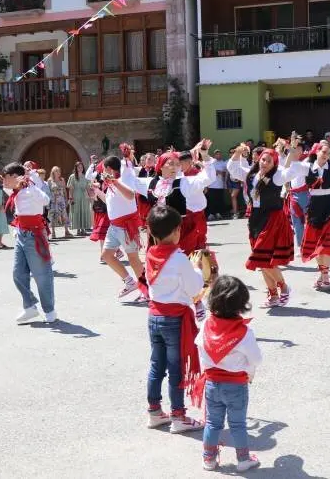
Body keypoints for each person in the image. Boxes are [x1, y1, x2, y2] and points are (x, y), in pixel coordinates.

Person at [141, 206, 206, 434]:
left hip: (154, 316)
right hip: (174, 319)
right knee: (176, 369)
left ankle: (154, 411)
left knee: (156, 366)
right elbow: (194, 288)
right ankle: (178, 415)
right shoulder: (179, 258)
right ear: (177, 231)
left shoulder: (150, 253)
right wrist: (197, 269)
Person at [195, 275, 263, 472]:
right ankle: (243, 459)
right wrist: (249, 371)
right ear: (242, 304)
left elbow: (200, 349)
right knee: (238, 424)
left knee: (213, 423)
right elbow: (256, 359)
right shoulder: (244, 332)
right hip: (236, 386)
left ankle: (208, 458)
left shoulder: (207, 325)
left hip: (212, 383)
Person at [227, 141, 301, 308]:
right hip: (255, 219)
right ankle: (273, 294)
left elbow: (293, 171)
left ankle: (284, 287)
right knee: (262, 260)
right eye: (263, 160)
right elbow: (233, 169)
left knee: (261, 257)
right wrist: (237, 152)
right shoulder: (251, 175)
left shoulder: (276, 176)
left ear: (274, 163)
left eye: (269, 161)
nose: (265, 163)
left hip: (272, 219)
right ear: (259, 159)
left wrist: (292, 151)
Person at [86, 149, 146, 301]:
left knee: (133, 259)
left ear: (108, 169)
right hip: (114, 226)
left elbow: (131, 195)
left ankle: (146, 289)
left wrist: (114, 182)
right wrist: (97, 191)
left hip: (126, 226)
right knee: (106, 256)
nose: (100, 173)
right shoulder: (110, 183)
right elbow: (109, 201)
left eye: (102, 169)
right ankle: (129, 282)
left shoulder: (122, 179)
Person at [133, 143, 215, 255]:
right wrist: (127, 159)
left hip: (180, 230)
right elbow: (128, 180)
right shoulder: (150, 183)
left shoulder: (184, 182)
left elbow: (208, 178)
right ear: (161, 166)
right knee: (160, 264)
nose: (175, 167)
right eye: (171, 164)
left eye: (177, 164)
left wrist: (205, 156)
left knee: (182, 262)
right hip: (158, 231)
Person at [2, 163, 57, 324]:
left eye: (6, 177)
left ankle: (49, 310)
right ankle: (30, 306)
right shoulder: (15, 191)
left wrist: (30, 183)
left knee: (42, 274)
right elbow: (7, 188)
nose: (4, 180)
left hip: (35, 235)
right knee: (18, 274)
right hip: (21, 234)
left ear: (15, 177)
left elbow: (46, 200)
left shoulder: (30, 190)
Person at [296, 140, 330, 290]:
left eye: (328, 153)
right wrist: (292, 150)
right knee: (317, 243)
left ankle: (325, 275)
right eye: (323, 152)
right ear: (316, 152)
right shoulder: (306, 166)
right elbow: (290, 168)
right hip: (315, 205)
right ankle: (323, 274)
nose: (326, 155)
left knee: (327, 243)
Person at [66, 161, 93, 235]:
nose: (80, 168)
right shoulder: (72, 176)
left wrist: (91, 196)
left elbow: (88, 188)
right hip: (76, 196)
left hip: (84, 197)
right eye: (78, 167)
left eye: (81, 167)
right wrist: (70, 198)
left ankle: (83, 228)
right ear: (76, 168)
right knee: (77, 212)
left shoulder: (85, 176)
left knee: (84, 212)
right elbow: (71, 188)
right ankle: (78, 229)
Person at [46, 166, 72, 239]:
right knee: (53, 216)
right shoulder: (49, 180)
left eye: (58, 171)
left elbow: (64, 190)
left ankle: (66, 231)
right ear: (53, 172)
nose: (58, 172)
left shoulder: (62, 180)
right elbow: (48, 191)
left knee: (64, 215)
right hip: (53, 200)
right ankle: (53, 233)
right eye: (56, 171)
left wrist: (66, 199)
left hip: (61, 200)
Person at [206, 150, 228, 220]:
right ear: (214, 155)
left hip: (220, 185)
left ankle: (218, 213)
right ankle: (211, 214)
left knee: (219, 200)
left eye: (219, 154)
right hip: (211, 185)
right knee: (212, 200)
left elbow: (226, 174)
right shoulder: (211, 163)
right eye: (216, 154)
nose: (218, 155)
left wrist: (220, 172)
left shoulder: (223, 163)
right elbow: (207, 172)